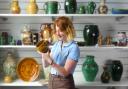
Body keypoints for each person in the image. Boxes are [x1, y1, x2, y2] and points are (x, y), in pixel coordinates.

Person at [39, 16, 80, 89]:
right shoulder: (57, 44)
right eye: (56, 31)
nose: (57, 34)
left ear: (68, 30)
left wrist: (50, 61)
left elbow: (65, 72)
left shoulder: (74, 47)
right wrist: (43, 52)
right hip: (51, 80)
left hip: (64, 83)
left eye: (60, 31)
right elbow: (45, 65)